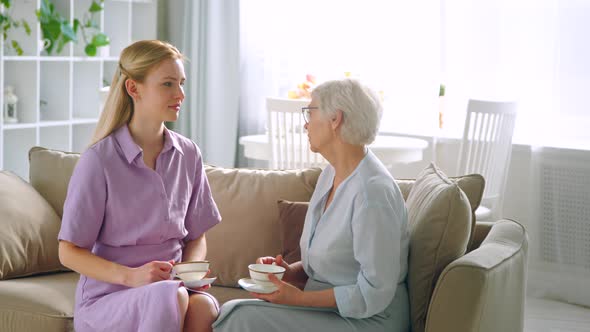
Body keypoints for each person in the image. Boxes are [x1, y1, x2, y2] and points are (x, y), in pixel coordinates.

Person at [212, 78, 410, 332]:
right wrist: (288, 272)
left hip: (369, 320)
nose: (305, 124)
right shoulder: (330, 175)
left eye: (310, 112)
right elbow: (331, 266)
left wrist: (299, 298)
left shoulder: (373, 193)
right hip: (331, 312)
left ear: (335, 120)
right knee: (236, 311)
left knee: (240, 317)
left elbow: (374, 292)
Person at [58, 40, 221, 332]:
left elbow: (197, 236)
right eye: (168, 84)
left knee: (203, 305)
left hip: (172, 290)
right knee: (172, 296)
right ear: (134, 89)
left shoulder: (189, 155)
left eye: (181, 83)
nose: (180, 94)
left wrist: (187, 272)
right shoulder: (100, 161)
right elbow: (68, 251)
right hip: (109, 299)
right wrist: (132, 277)